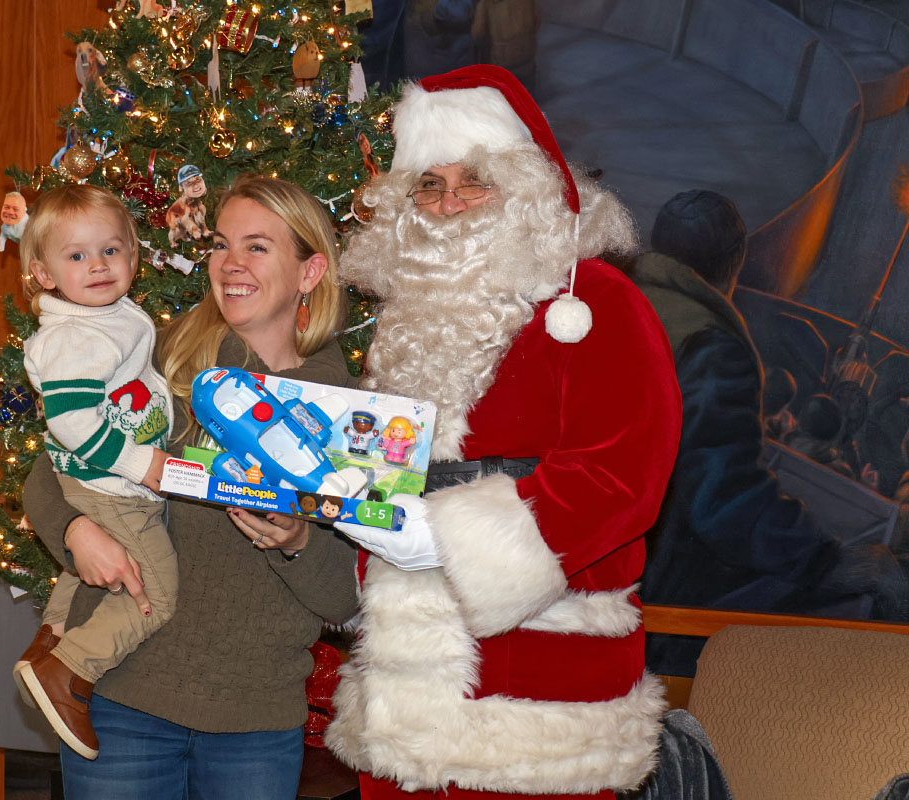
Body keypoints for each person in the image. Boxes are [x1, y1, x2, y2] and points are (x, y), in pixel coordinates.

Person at [323, 64, 683, 799]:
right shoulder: (404, 321)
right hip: (403, 690)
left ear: (527, 190)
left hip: (535, 697)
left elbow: (624, 474)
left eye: (475, 181)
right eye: (428, 185)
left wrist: (451, 542)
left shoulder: (597, 304)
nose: (448, 204)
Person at [22, 175, 360, 800]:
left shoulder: (346, 414)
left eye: (257, 247)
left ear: (310, 272)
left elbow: (344, 598)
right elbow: (52, 469)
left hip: (255, 722)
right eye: (221, 244)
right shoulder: (160, 358)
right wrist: (76, 532)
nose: (230, 264)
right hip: (122, 697)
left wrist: (295, 540)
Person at [633, 190, 909, 675]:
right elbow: (726, 502)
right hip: (659, 592)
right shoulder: (712, 348)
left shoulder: (619, 306)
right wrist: (826, 561)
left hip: (609, 565)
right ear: (734, 264)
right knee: (882, 580)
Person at [11, 184, 176, 761]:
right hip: (110, 483)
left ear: (133, 253)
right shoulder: (74, 337)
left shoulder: (109, 314)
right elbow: (72, 421)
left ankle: (48, 642)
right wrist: (142, 464)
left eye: (110, 250)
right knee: (157, 590)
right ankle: (69, 672)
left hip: (105, 478)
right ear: (45, 274)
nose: (99, 266)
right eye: (77, 256)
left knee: (85, 573)